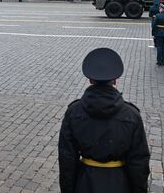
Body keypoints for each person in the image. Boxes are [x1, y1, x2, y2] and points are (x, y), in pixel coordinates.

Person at [58, 48, 150, 193]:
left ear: (90, 80)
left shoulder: (73, 112)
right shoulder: (131, 115)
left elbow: (67, 160)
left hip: (85, 183)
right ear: (115, 80)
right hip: (120, 183)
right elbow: (139, 163)